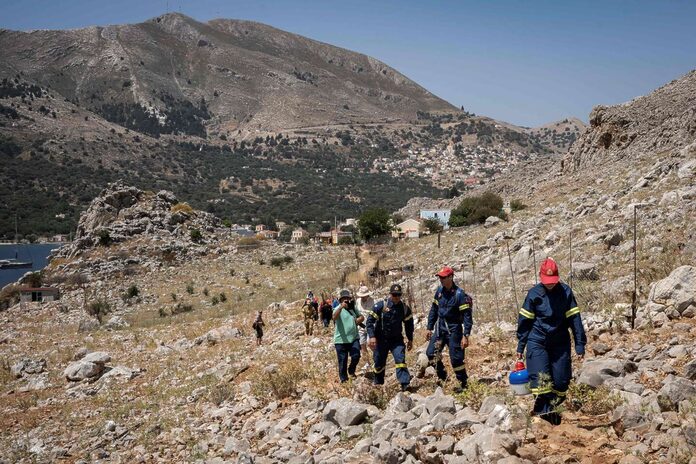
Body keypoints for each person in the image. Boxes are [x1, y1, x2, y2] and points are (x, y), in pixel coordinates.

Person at [516, 257, 586, 425]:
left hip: (560, 342)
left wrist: (579, 344)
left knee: (561, 382)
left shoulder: (566, 292)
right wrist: (521, 346)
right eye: (546, 281)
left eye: (552, 281)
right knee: (541, 381)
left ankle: (552, 408)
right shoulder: (534, 295)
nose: (550, 284)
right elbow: (524, 323)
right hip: (537, 341)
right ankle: (545, 414)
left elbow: (575, 319)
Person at [426, 266, 473, 392]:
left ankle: (464, 384)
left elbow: (467, 317)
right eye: (439, 277)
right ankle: (443, 377)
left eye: (443, 277)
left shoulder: (459, 295)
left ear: (451, 277)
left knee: (456, 359)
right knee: (431, 353)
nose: (440, 279)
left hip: (454, 330)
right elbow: (434, 310)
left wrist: (466, 335)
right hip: (440, 329)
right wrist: (429, 328)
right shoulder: (439, 292)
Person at [366, 284, 414, 392]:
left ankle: (405, 384)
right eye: (394, 294)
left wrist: (410, 339)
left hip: (396, 340)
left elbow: (409, 325)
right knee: (379, 362)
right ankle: (378, 383)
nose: (396, 297)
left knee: (400, 359)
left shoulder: (405, 309)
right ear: (390, 294)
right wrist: (372, 336)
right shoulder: (381, 306)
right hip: (381, 339)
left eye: (398, 295)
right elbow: (369, 321)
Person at [333, 289, 364, 383]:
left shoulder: (352, 308)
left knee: (356, 355)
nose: (346, 300)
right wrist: (341, 307)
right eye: (344, 299)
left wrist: (358, 320)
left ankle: (351, 370)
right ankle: (344, 380)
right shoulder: (337, 308)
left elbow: (361, 317)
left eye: (347, 298)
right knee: (342, 361)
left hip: (354, 338)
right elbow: (334, 317)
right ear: (340, 300)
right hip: (341, 340)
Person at [355, 285, 375, 370]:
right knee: (362, 345)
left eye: (364, 296)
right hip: (361, 327)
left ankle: (376, 360)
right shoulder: (358, 301)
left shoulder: (373, 301)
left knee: (371, 344)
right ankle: (367, 363)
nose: (362, 297)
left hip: (370, 326)